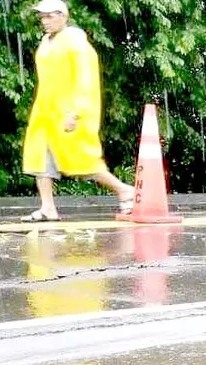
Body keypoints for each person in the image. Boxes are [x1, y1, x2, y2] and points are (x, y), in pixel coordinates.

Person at [21, 0, 134, 222]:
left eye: (49, 16)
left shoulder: (75, 42)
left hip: (69, 112)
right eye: (42, 17)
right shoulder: (46, 42)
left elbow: (86, 79)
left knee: (82, 160)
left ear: (63, 16)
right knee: (40, 159)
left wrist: (76, 112)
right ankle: (47, 208)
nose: (44, 21)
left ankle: (123, 190)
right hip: (45, 112)